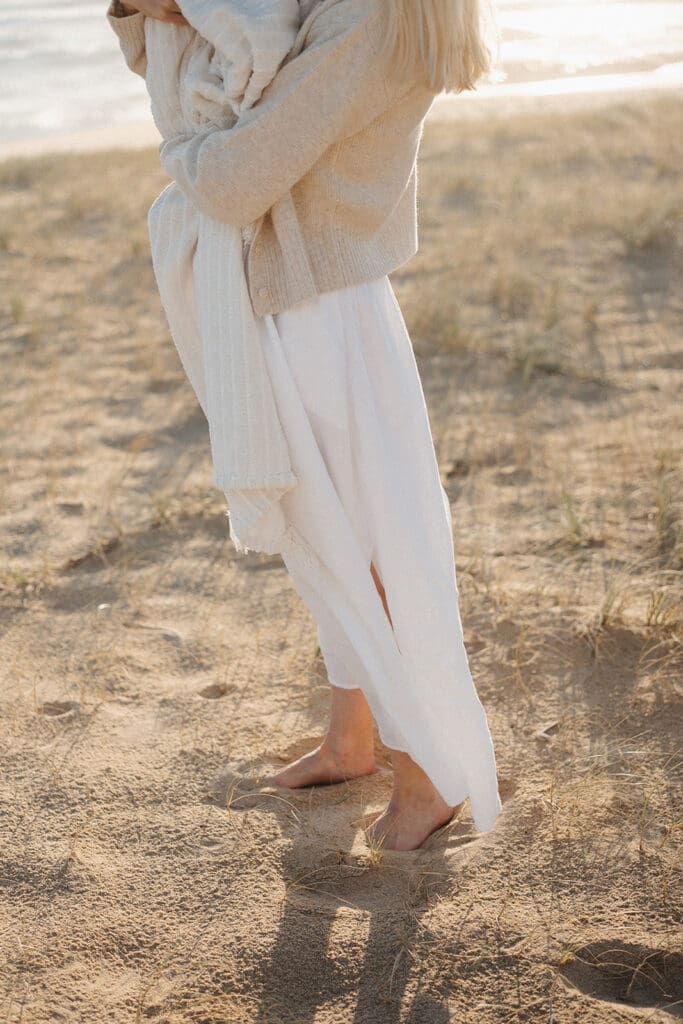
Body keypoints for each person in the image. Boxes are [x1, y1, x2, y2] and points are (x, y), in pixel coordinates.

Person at [107, 0, 503, 851]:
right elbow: (192, 61)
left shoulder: (368, 15)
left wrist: (177, 153)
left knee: (367, 543)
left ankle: (428, 774)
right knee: (335, 534)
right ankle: (351, 738)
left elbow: (233, 179)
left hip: (319, 308)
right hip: (307, 295)